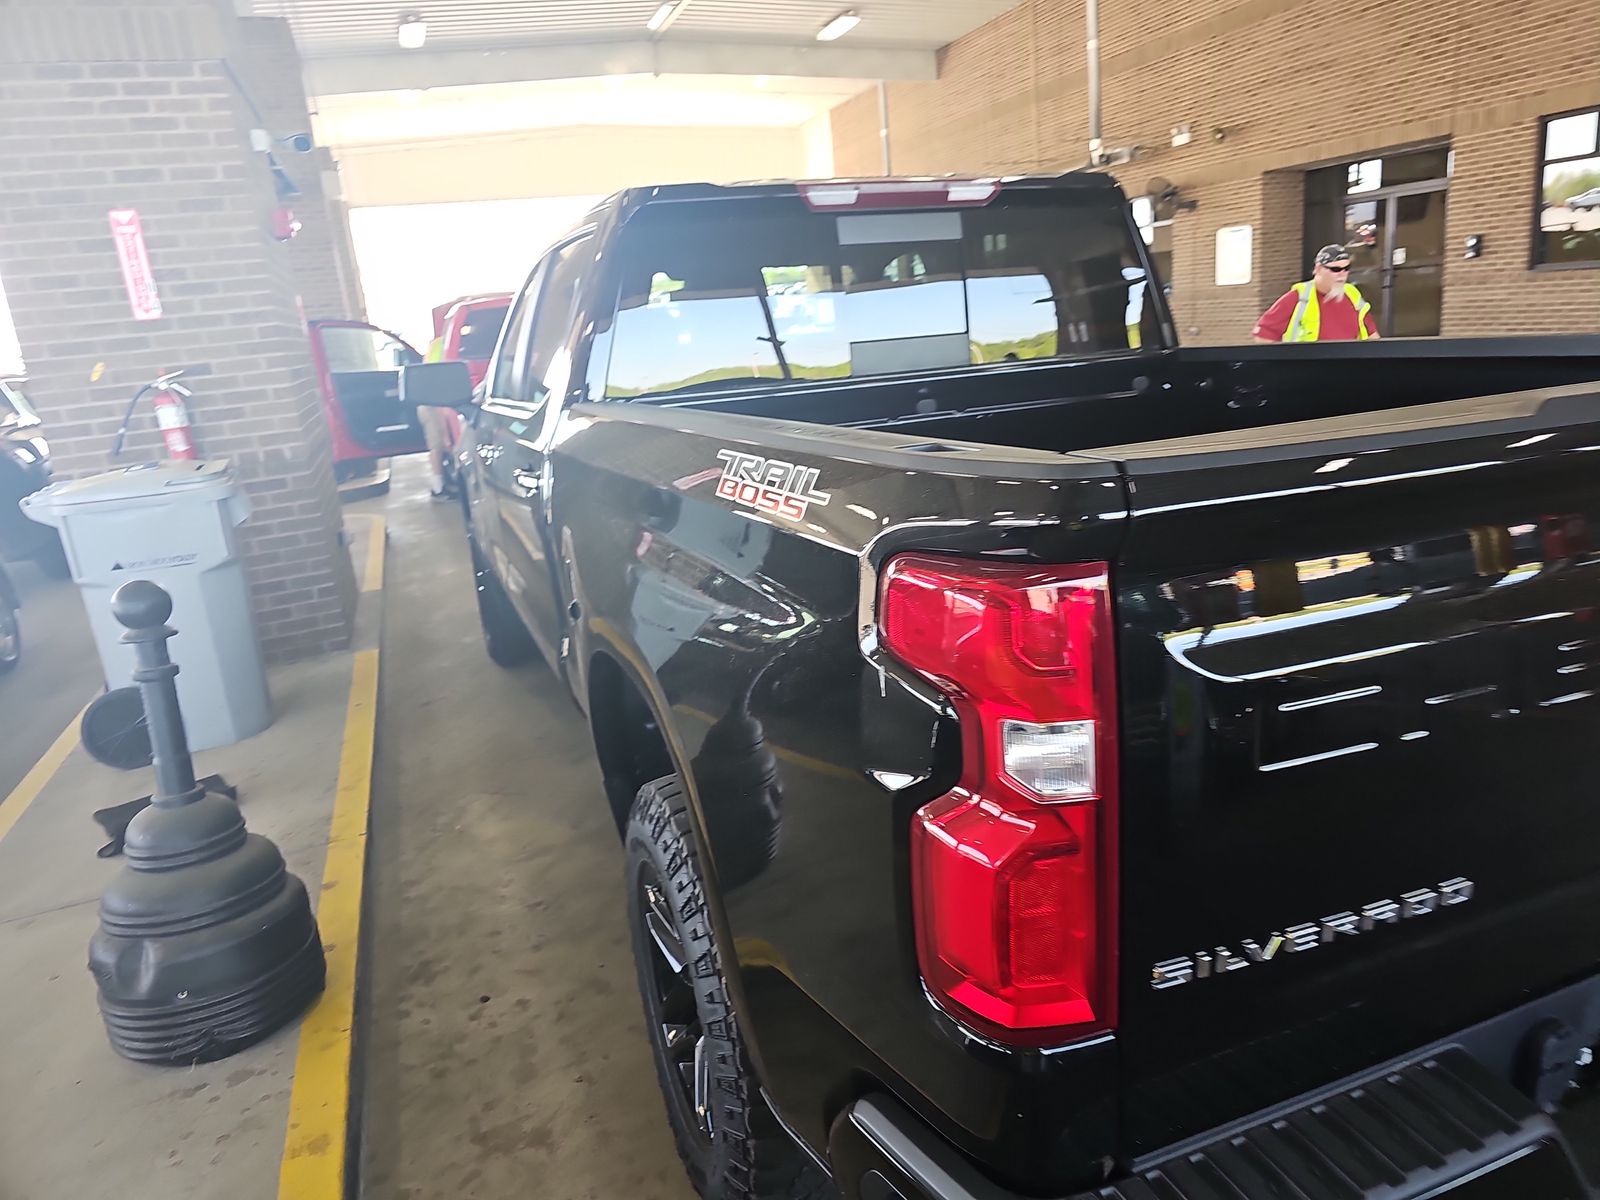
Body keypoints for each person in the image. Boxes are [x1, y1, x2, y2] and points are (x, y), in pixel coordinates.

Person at [1253, 244, 1379, 343]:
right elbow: (1263, 335)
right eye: (1335, 269)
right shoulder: (1299, 297)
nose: (1342, 274)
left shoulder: (1353, 295)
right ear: (1318, 269)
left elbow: (1372, 336)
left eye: (1346, 269)